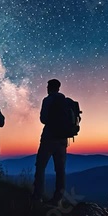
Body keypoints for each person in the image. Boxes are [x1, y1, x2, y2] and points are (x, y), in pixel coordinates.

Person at [32, 79, 68, 207]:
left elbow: (43, 119)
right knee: (60, 170)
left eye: (47, 86)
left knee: (40, 166)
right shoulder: (65, 101)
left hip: (49, 138)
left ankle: (38, 197)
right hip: (63, 139)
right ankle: (58, 199)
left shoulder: (47, 100)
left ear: (50, 88)